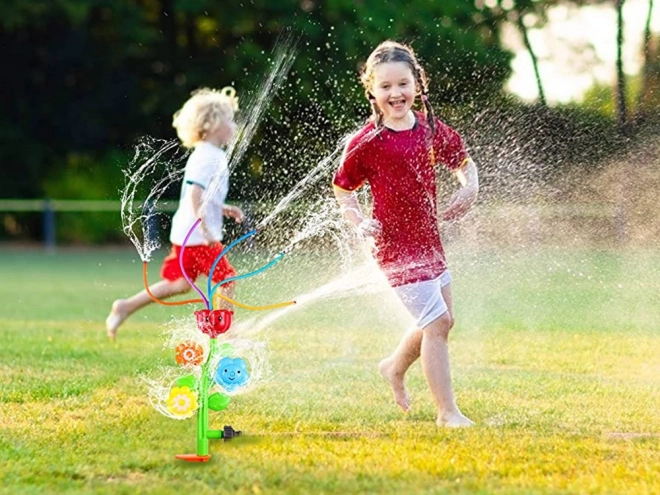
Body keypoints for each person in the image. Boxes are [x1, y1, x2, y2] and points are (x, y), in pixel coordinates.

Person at [332, 41, 479, 427]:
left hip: (429, 241)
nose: (395, 93)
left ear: (418, 84)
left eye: (403, 84)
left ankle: (394, 366)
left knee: (444, 320)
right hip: (392, 248)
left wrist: (470, 186)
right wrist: (359, 220)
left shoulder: (430, 128)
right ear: (372, 92)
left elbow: (464, 163)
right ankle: (447, 413)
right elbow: (344, 190)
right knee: (437, 325)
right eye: (385, 87)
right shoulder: (366, 142)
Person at [106, 87, 244, 339]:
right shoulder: (207, 156)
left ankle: (125, 306)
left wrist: (223, 209)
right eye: (229, 120)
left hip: (188, 233)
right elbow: (194, 195)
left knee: (179, 285)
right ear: (213, 124)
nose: (234, 126)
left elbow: (204, 196)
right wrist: (204, 227)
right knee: (226, 278)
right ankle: (227, 332)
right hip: (198, 236)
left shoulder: (211, 154)